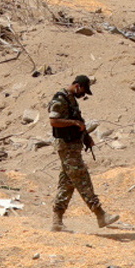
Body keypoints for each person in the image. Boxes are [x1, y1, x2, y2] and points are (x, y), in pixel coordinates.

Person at [46, 74, 115, 231]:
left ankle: (57, 221)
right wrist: (74, 123)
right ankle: (100, 214)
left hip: (73, 146)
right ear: (77, 86)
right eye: (83, 91)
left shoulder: (71, 100)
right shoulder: (60, 98)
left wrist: (86, 138)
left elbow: (78, 122)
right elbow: (53, 121)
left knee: (67, 183)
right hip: (66, 146)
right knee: (81, 177)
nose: (83, 95)